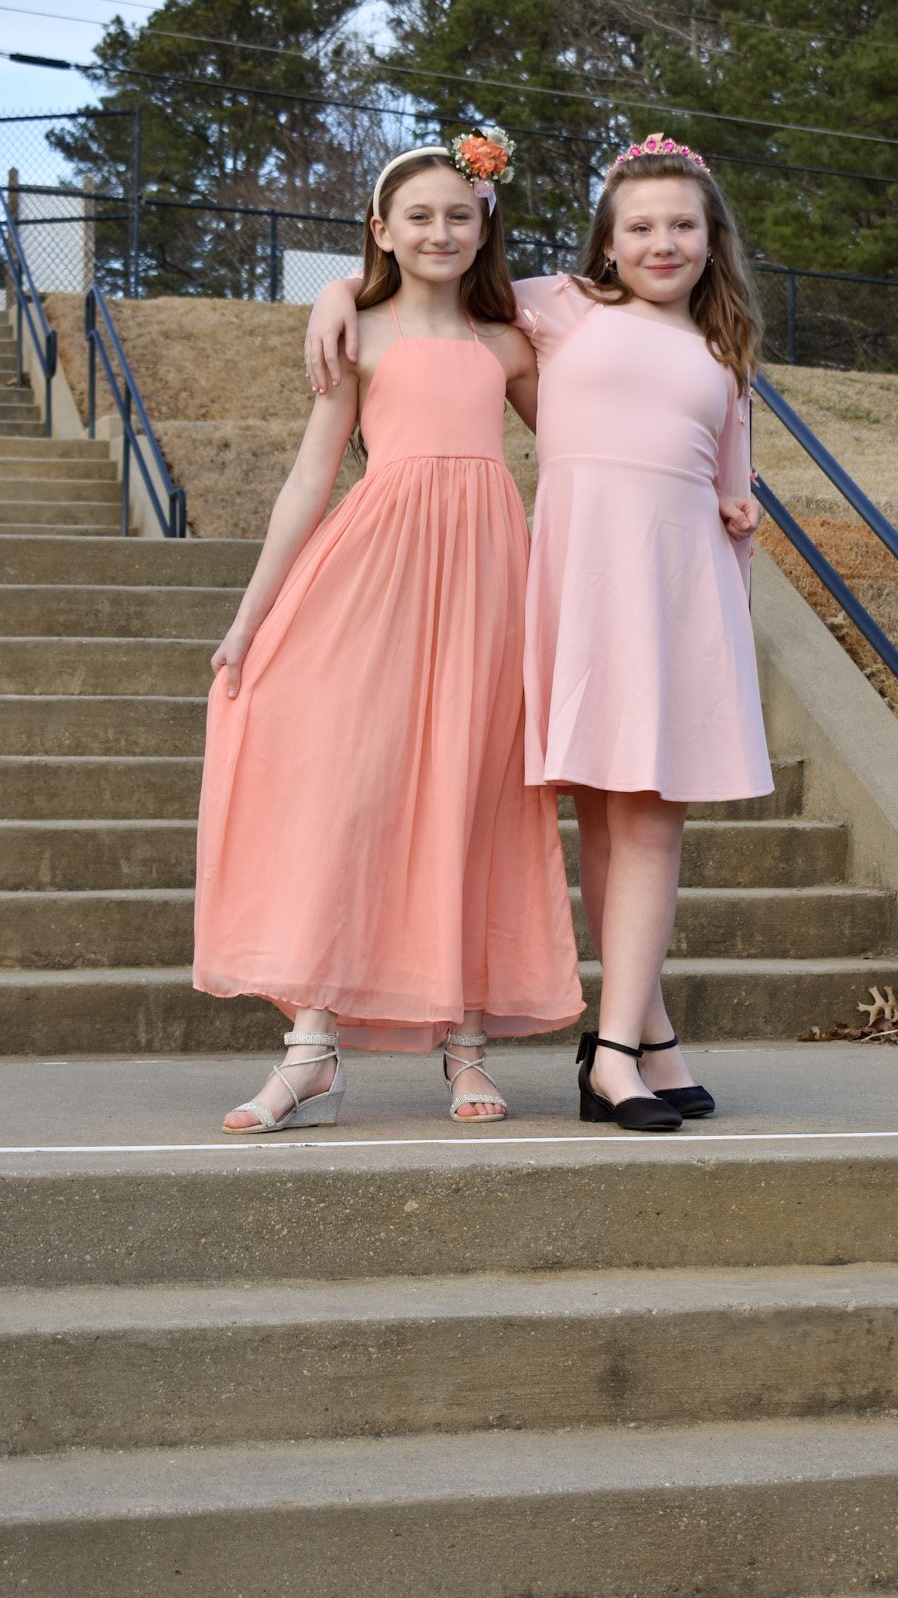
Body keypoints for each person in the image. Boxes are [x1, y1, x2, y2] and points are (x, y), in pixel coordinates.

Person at [306, 134, 771, 1133]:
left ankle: (625, 1045)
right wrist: (339, 288)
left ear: (711, 237)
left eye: (682, 224)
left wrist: (736, 559)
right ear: (606, 243)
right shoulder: (559, 308)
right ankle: (635, 1041)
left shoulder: (724, 353)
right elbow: (434, 281)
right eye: (640, 225)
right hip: (579, 584)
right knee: (605, 814)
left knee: (649, 814)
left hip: (680, 592)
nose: (662, 241)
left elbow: (735, 496)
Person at [194, 132, 583, 1133]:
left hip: (488, 588)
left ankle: (465, 1047)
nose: (441, 229)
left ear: (484, 221)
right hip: (372, 577)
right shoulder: (356, 333)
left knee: (473, 794)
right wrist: (251, 615)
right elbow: (307, 478)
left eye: (460, 212)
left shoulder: (511, 342)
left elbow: (586, 447)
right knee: (352, 792)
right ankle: (311, 1047)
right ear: (380, 230)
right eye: (418, 215)